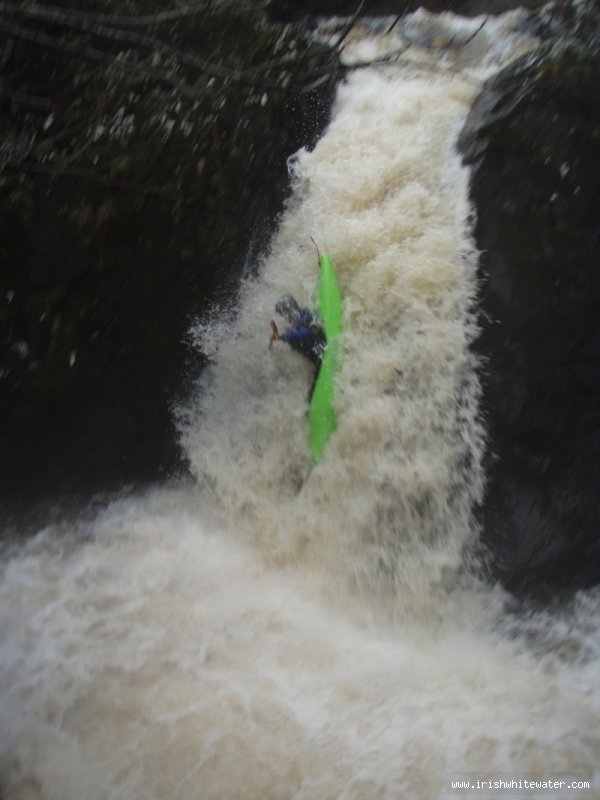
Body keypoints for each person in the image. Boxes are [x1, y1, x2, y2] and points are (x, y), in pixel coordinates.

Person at [270, 295, 326, 397]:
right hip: (318, 358)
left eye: (283, 313)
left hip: (322, 353)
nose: (284, 317)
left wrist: (282, 337)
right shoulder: (296, 323)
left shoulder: (305, 317)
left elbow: (305, 333)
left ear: (290, 309)